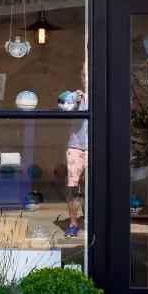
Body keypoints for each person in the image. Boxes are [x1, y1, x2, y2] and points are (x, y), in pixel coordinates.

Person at [65, 61, 88, 239]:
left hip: (96, 146)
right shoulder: (73, 95)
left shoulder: (102, 94)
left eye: (89, 74)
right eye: (83, 74)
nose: (86, 78)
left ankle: (92, 220)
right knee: (72, 186)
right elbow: (65, 111)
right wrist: (74, 103)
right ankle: (73, 224)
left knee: (95, 185)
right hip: (76, 146)